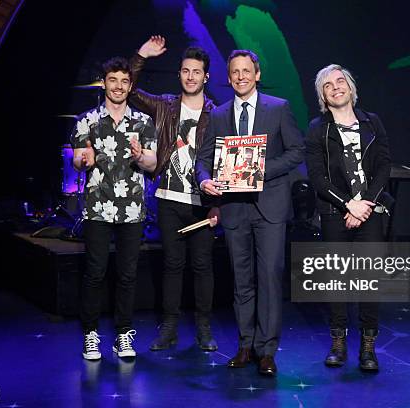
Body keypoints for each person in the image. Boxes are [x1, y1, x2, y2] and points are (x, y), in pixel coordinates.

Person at [196, 50, 305, 376]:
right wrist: (204, 180)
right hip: (233, 210)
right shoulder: (219, 114)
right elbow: (203, 158)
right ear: (228, 78)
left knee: (269, 279)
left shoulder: (279, 108)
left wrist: (259, 171)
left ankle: (267, 350)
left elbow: (297, 151)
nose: (241, 76)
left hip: (269, 207)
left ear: (256, 74)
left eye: (247, 71)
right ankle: (245, 345)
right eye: (235, 72)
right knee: (241, 281)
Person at [129, 36, 220, 351]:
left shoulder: (217, 114)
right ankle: (169, 328)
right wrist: (142, 55)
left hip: (203, 204)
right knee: (171, 265)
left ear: (206, 76)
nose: (191, 76)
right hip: (169, 199)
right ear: (179, 74)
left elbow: (224, 163)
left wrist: (218, 206)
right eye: (185, 71)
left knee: (203, 266)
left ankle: (204, 329)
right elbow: (128, 89)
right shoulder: (166, 105)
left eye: (197, 71)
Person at [305, 64, 391, 371]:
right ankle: (338, 342)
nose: (336, 87)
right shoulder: (317, 128)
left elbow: (383, 167)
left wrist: (365, 203)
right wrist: (348, 206)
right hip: (333, 213)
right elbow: (316, 177)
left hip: (370, 211)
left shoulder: (372, 122)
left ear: (351, 88)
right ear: (323, 96)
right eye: (328, 85)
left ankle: (368, 347)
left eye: (340, 81)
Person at [71, 56, 157, 360]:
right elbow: (80, 160)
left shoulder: (144, 122)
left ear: (130, 85)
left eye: (124, 81)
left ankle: (123, 334)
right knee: (95, 272)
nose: (118, 86)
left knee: (127, 274)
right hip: (97, 207)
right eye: (113, 80)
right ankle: (91, 334)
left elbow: (152, 163)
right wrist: (83, 160)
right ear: (104, 82)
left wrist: (139, 156)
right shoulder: (87, 121)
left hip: (132, 208)